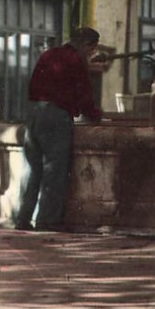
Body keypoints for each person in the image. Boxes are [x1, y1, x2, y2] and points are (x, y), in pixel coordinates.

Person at [14, 27, 102, 232]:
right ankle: (47, 221)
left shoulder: (49, 54)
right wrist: (95, 116)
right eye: (91, 51)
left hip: (35, 112)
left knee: (31, 169)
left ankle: (22, 218)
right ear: (88, 45)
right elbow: (84, 95)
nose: (90, 55)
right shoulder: (76, 61)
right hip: (56, 116)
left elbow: (33, 86)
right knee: (55, 171)